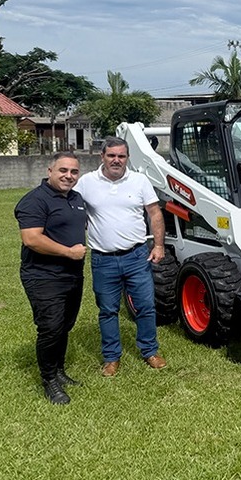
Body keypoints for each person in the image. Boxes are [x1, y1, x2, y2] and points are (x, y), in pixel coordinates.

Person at [75, 137, 167, 376]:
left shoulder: (139, 181)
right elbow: (72, 212)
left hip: (137, 256)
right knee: (107, 310)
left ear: (127, 158)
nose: (116, 160)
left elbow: (154, 213)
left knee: (146, 306)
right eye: (111, 155)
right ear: (102, 156)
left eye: (121, 156)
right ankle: (111, 357)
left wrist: (158, 245)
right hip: (103, 259)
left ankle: (149, 351)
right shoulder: (86, 183)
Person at [14, 151, 88, 405]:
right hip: (43, 276)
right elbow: (31, 239)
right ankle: (49, 381)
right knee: (51, 328)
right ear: (50, 171)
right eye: (63, 171)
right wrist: (68, 252)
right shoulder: (35, 201)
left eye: (74, 172)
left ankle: (58, 371)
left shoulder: (76, 199)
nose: (69, 176)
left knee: (65, 326)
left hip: (72, 274)